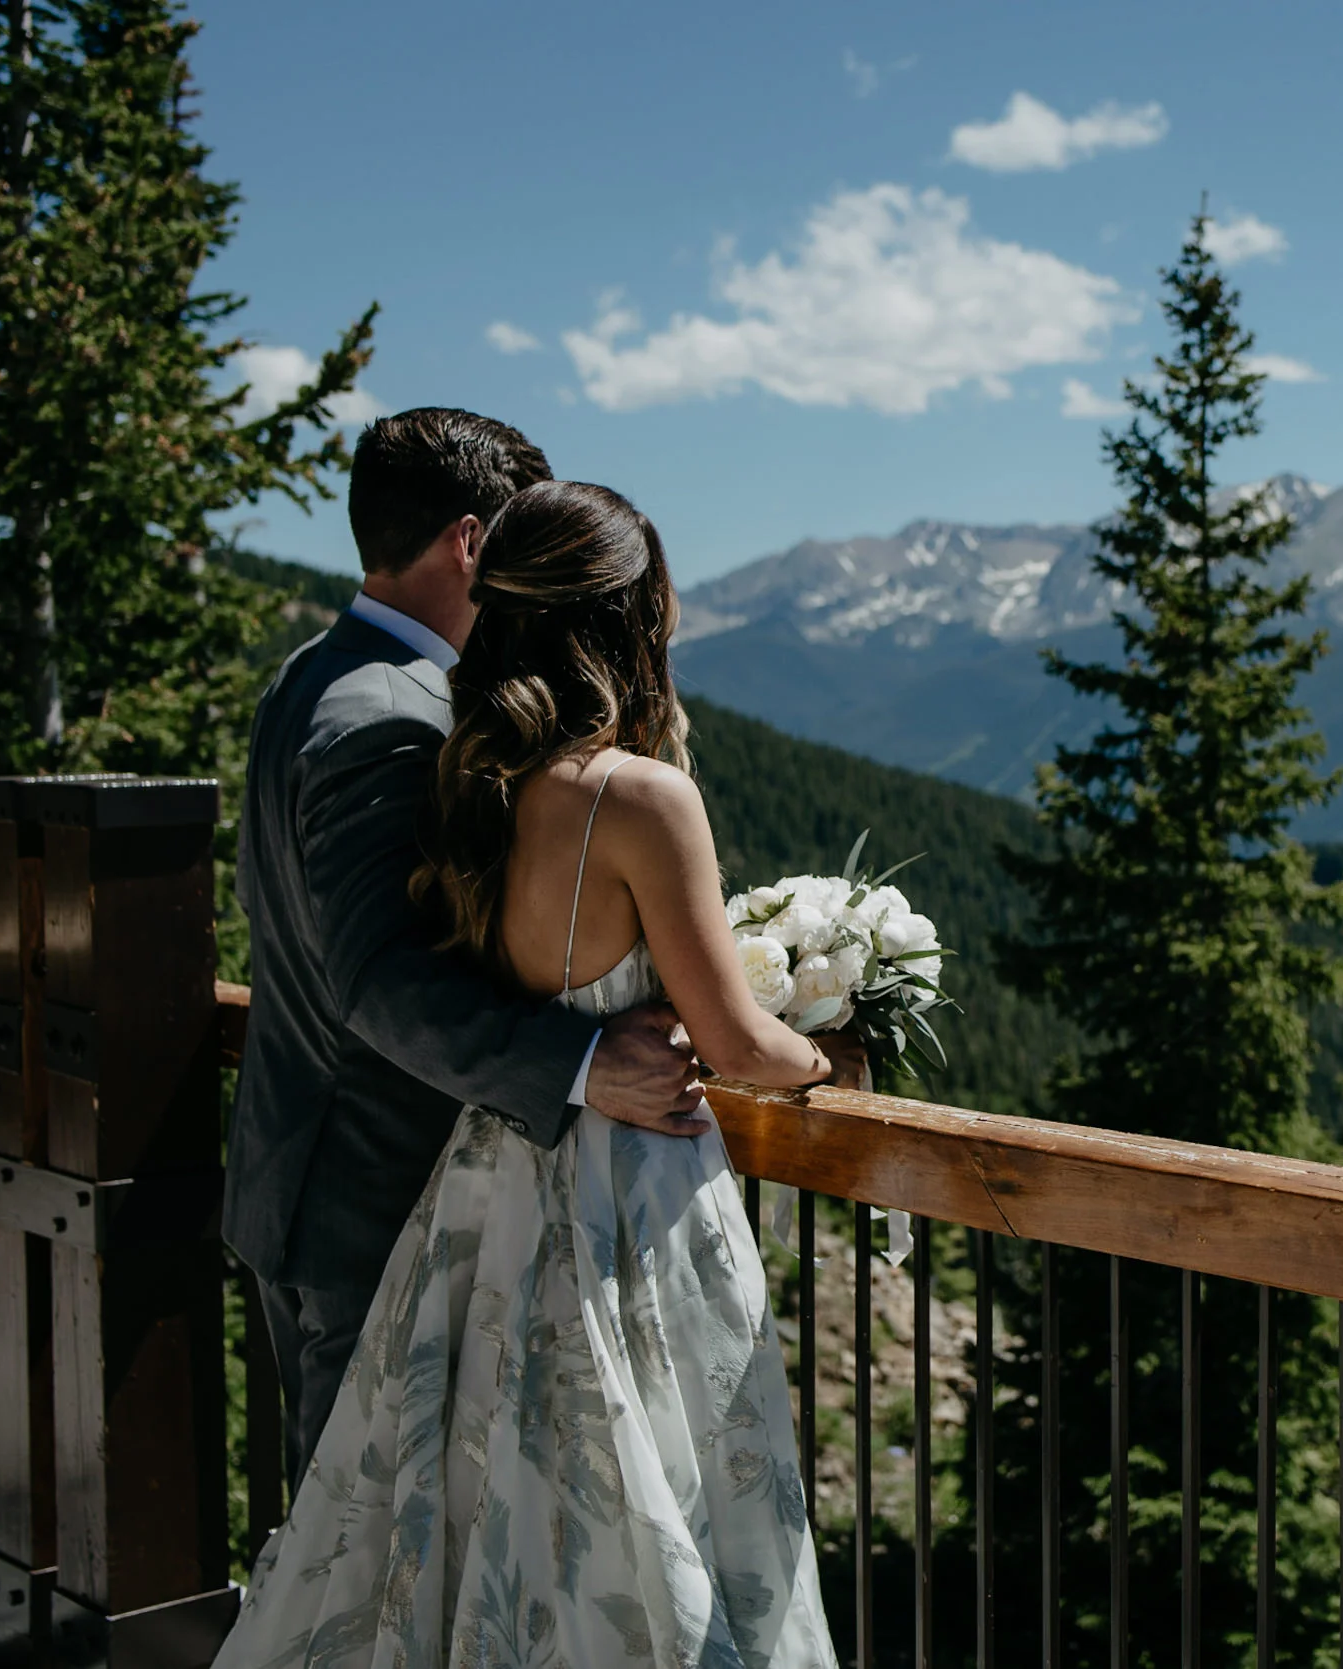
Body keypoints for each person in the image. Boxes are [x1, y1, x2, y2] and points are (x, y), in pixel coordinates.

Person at [217, 480, 847, 1666]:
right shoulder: (644, 797)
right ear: (627, 617)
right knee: (650, 1506)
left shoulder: (476, 785)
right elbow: (740, 1046)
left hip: (492, 1191)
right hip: (626, 1198)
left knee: (484, 1514)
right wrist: (834, 1047)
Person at [223, 410, 704, 1486]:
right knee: (365, 1561)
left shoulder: (308, 674)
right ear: (472, 542)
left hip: (300, 1174)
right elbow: (377, 978)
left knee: (348, 1552)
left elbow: (271, 904)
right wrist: (579, 1064)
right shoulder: (389, 717)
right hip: (367, 1199)